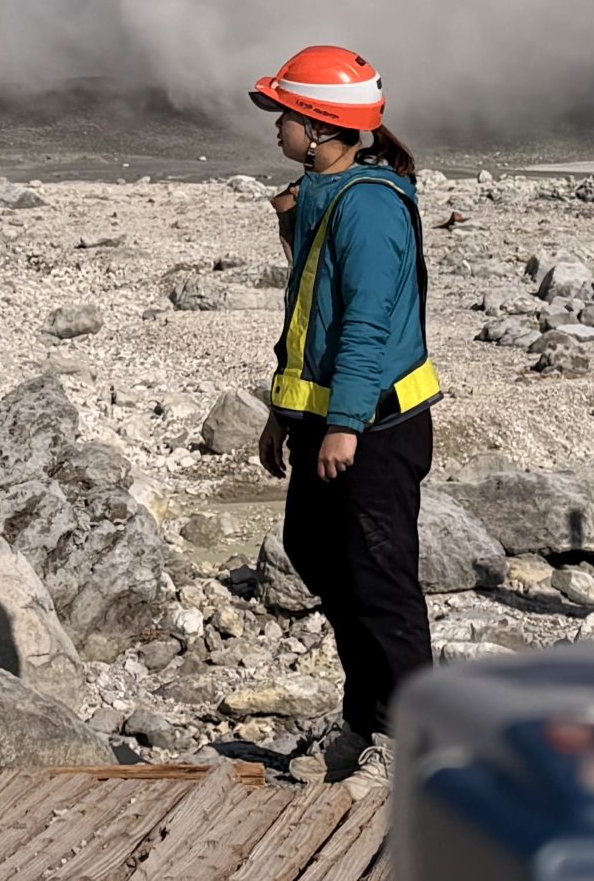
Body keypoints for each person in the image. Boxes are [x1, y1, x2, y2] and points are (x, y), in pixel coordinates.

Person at [248, 44, 439, 789]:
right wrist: (282, 412)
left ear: (321, 127)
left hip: (375, 429)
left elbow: (364, 327)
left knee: (379, 581)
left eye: (284, 114)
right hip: (325, 421)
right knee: (320, 555)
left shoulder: (369, 206)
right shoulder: (323, 195)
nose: (276, 126)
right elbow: (308, 323)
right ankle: (367, 720)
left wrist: (345, 425)